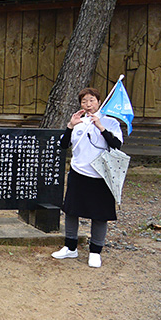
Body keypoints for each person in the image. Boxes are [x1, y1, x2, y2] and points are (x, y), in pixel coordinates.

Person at [51, 87, 123, 268]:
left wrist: (100, 126)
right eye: (84, 101)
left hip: (101, 175)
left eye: (91, 100)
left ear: (99, 102)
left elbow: (116, 145)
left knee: (99, 215)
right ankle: (70, 247)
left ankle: (95, 252)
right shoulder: (79, 123)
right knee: (71, 211)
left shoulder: (110, 123)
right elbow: (63, 145)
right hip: (78, 172)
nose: (88, 104)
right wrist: (70, 125)